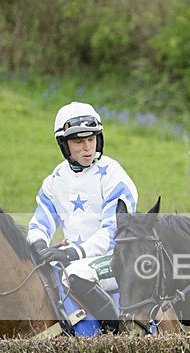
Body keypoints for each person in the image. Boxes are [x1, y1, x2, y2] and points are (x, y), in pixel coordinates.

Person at [27, 101, 138, 333]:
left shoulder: (113, 174)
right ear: (64, 145)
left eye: (92, 139)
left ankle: (115, 334)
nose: (88, 147)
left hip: (117, 258)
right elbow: (40, 222)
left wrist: (72, 253)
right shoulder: (55, 179)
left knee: (77, 274)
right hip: (75, 259)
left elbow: (113, 231)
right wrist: (38, 246)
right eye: (78, 142)